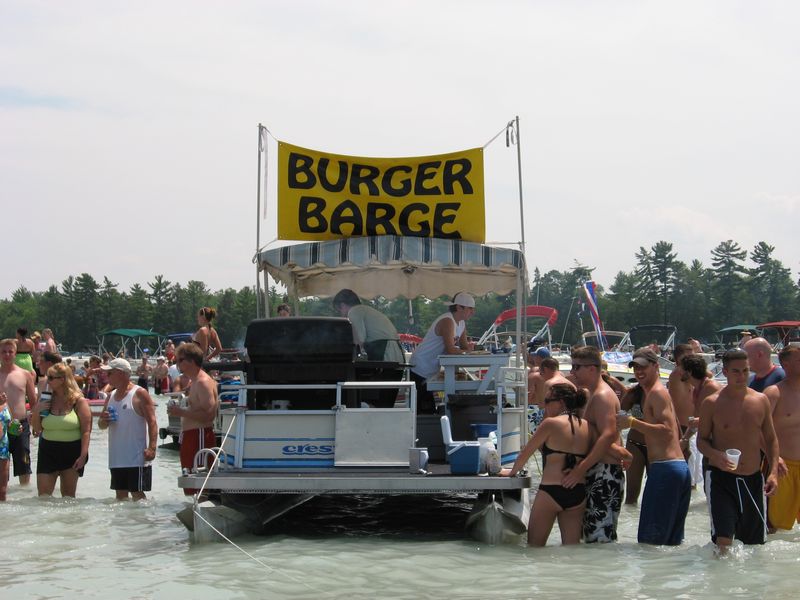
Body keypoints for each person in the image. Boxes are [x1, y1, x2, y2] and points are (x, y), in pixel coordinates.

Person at [697, 349, 779, 552]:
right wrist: (716, 455)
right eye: (736, 371)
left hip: (753, 479)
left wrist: (773, 473)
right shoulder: (712, 403)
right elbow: (701, 441)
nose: (741, 376)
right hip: (721, 479)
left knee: (755, 546)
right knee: (723, 543)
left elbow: (770, 439)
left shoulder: (760, 400)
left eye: (745, 371)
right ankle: (720, 573)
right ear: (725, 372)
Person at [617, 348, 691, 545]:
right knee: (670, 545)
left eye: (643, 367)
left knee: (649, 544)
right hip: (676, 468)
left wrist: (632, 422)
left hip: (665, 469)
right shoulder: (659, 393)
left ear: (656, 366)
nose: (639, 371)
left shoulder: (657, 393)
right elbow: (674, 426)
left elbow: (666, 431)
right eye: (635, 368)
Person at [506, 384, 592, 546]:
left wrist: (510, 473)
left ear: (561, 402)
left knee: (534, 548)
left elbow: (525, 454)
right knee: (572, 550)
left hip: (550, 492)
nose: (544, 405)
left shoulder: (550, 424)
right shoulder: (587, 426)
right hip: (577, 492)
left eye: (547, 401)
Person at [561, 345, 630, 543]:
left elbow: (608, 435)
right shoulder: (592, 394)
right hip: (598, 471)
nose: (573, 371)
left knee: (600, 541)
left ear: (592, 368)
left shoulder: (602, 396)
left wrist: (580, 470)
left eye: (577, 367)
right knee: (592, 538)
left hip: (604, 473)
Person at [98, 358, 158, 500]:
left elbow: (152, 422)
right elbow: (101, 425)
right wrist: (104, 420)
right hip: (116, 458)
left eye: (110, 373)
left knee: (137, 494)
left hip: (136, 457)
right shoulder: (110, 396)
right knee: (120, 497)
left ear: (120, 373)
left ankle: (146, 516)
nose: (107, 376)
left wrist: (152, 448)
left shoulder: (139, 393)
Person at [29, 362, 91, 497]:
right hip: (48, 451)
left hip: (71, 451)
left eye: (51, 378)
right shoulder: (46, 399)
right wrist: (36, 411)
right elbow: (37, 429)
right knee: (43, 496)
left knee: (68, 497)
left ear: (62, 379)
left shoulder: (78, 401)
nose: (47, 381)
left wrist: (83, 455)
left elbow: (86, 431)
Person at [167, 342, 219, 495]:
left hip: (199, 435)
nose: (177, 363)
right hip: (191, 435)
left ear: (191, 361)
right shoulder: (194, 381)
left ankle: (202, 503)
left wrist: (181, 412)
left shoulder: (203, 382)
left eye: (180, 360)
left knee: (199, 483)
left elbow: (209, 415)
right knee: (190, 482)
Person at [410, 292, 476, 413]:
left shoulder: (461, 323)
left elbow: (464, 347)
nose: (473, 312)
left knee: (426, 409)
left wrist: (466, 350)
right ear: (459, 307)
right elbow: (451, 350)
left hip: (429, 368)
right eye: (470, 308)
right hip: (420, 367)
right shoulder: (447, 321)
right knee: (422, 411)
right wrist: (466, 351)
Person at [765, 346, 800, 531]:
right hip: (782, 468)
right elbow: (758, 430)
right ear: (785, 364)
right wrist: (774, 457)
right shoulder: (774, 393)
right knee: (776, 529)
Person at [0, 338, 37, 486]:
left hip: (21, 425)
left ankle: (24, 496)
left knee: (24, 465)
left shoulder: (25, 374)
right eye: (3, 352)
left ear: (15, 354)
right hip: (1, 426)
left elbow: (33, 403)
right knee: (1, 467)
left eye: (10, 352)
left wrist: (36, 424)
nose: (7, 355)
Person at [681, 354, 722, 487]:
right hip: (709, 445)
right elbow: (695, 421)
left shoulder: (712, 387)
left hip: (721, 446)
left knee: (714, 487)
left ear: (689, 372)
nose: (679, 372)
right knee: (708, 486)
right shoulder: (696, 391)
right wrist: (684, 439)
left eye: (681, 369)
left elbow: (727, 416)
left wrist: (701, 420)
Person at [332, 289, 403, 362]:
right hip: (394, 350)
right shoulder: (365, 310)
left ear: (342, 305)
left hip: (385, 352)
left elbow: (358, 343)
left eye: (339, 311)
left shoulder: (354, 311)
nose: (341, 314)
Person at [668, 344, 695, 458]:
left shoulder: (688, 373)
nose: (693, 360)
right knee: (685, 458)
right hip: (682, 426)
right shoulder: (680, 372)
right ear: (679, 359)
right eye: (689, 357)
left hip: (690, 425)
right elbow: (709, 374)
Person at [0, 394, 10, 501]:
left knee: (2, 492)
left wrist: (16, 429)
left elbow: (8, 424)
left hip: (3, 449)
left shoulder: (5, 402)